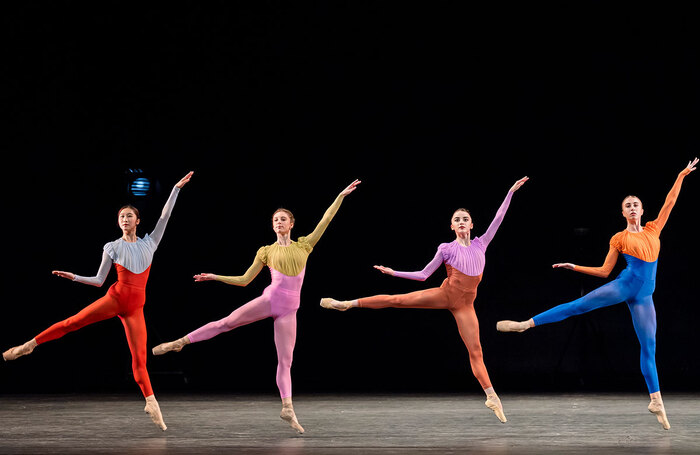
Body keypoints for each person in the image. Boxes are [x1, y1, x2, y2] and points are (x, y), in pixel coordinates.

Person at [497, 158, 698, 430]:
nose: (632, 208)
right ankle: (526, 324)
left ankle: (656, 400)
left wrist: (682, 175)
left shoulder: (654, 228)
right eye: (627, 206)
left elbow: (670, 201)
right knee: (578, 306)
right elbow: (605, 271)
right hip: (625, 285)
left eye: (635, 204)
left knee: (649, 347)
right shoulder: (619, 238)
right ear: (623, 213)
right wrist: (574, 266)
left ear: (641, 209)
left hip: (644, 297)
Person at [152, 179, 361, 433]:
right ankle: (181, 342)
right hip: (270, 300)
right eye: (275, 220)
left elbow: (326, 220)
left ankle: (288, 408)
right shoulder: (265, 251)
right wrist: (216, 277)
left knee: (285, 360)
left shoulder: (305, 245)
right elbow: (244, 280)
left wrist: (340, 195)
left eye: (283, 219)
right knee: (226, 323)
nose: (278, 222)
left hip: (289, 310)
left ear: (292, 224)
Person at [321, 177, 528, 423]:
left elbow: (499, 218)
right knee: (396, 300)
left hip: (465, 305)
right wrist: (394, 272)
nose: (461, 222)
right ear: (452, 226)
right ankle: (347, 304)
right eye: (457, 219)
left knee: (476, 351)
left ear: (472, 224)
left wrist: (510, 192)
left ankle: (492, 396)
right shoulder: (446, 248)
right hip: (445, 294)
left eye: (465, 219)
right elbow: (423, 275)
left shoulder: (482, 243)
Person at [3, 171, 195, 431]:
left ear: (137, 220)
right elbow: (98, 280)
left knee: (139, 360)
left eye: (129, 215)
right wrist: (73, 276)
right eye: (121, 217)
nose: (124, 219)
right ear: (118, 223)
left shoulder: (151, 242)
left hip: (135, 309)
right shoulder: (112, 246)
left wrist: (175, 189)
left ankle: (151, 403)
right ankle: (29, 345)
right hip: (114, 299)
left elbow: (165, 216)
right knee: (72, 322)